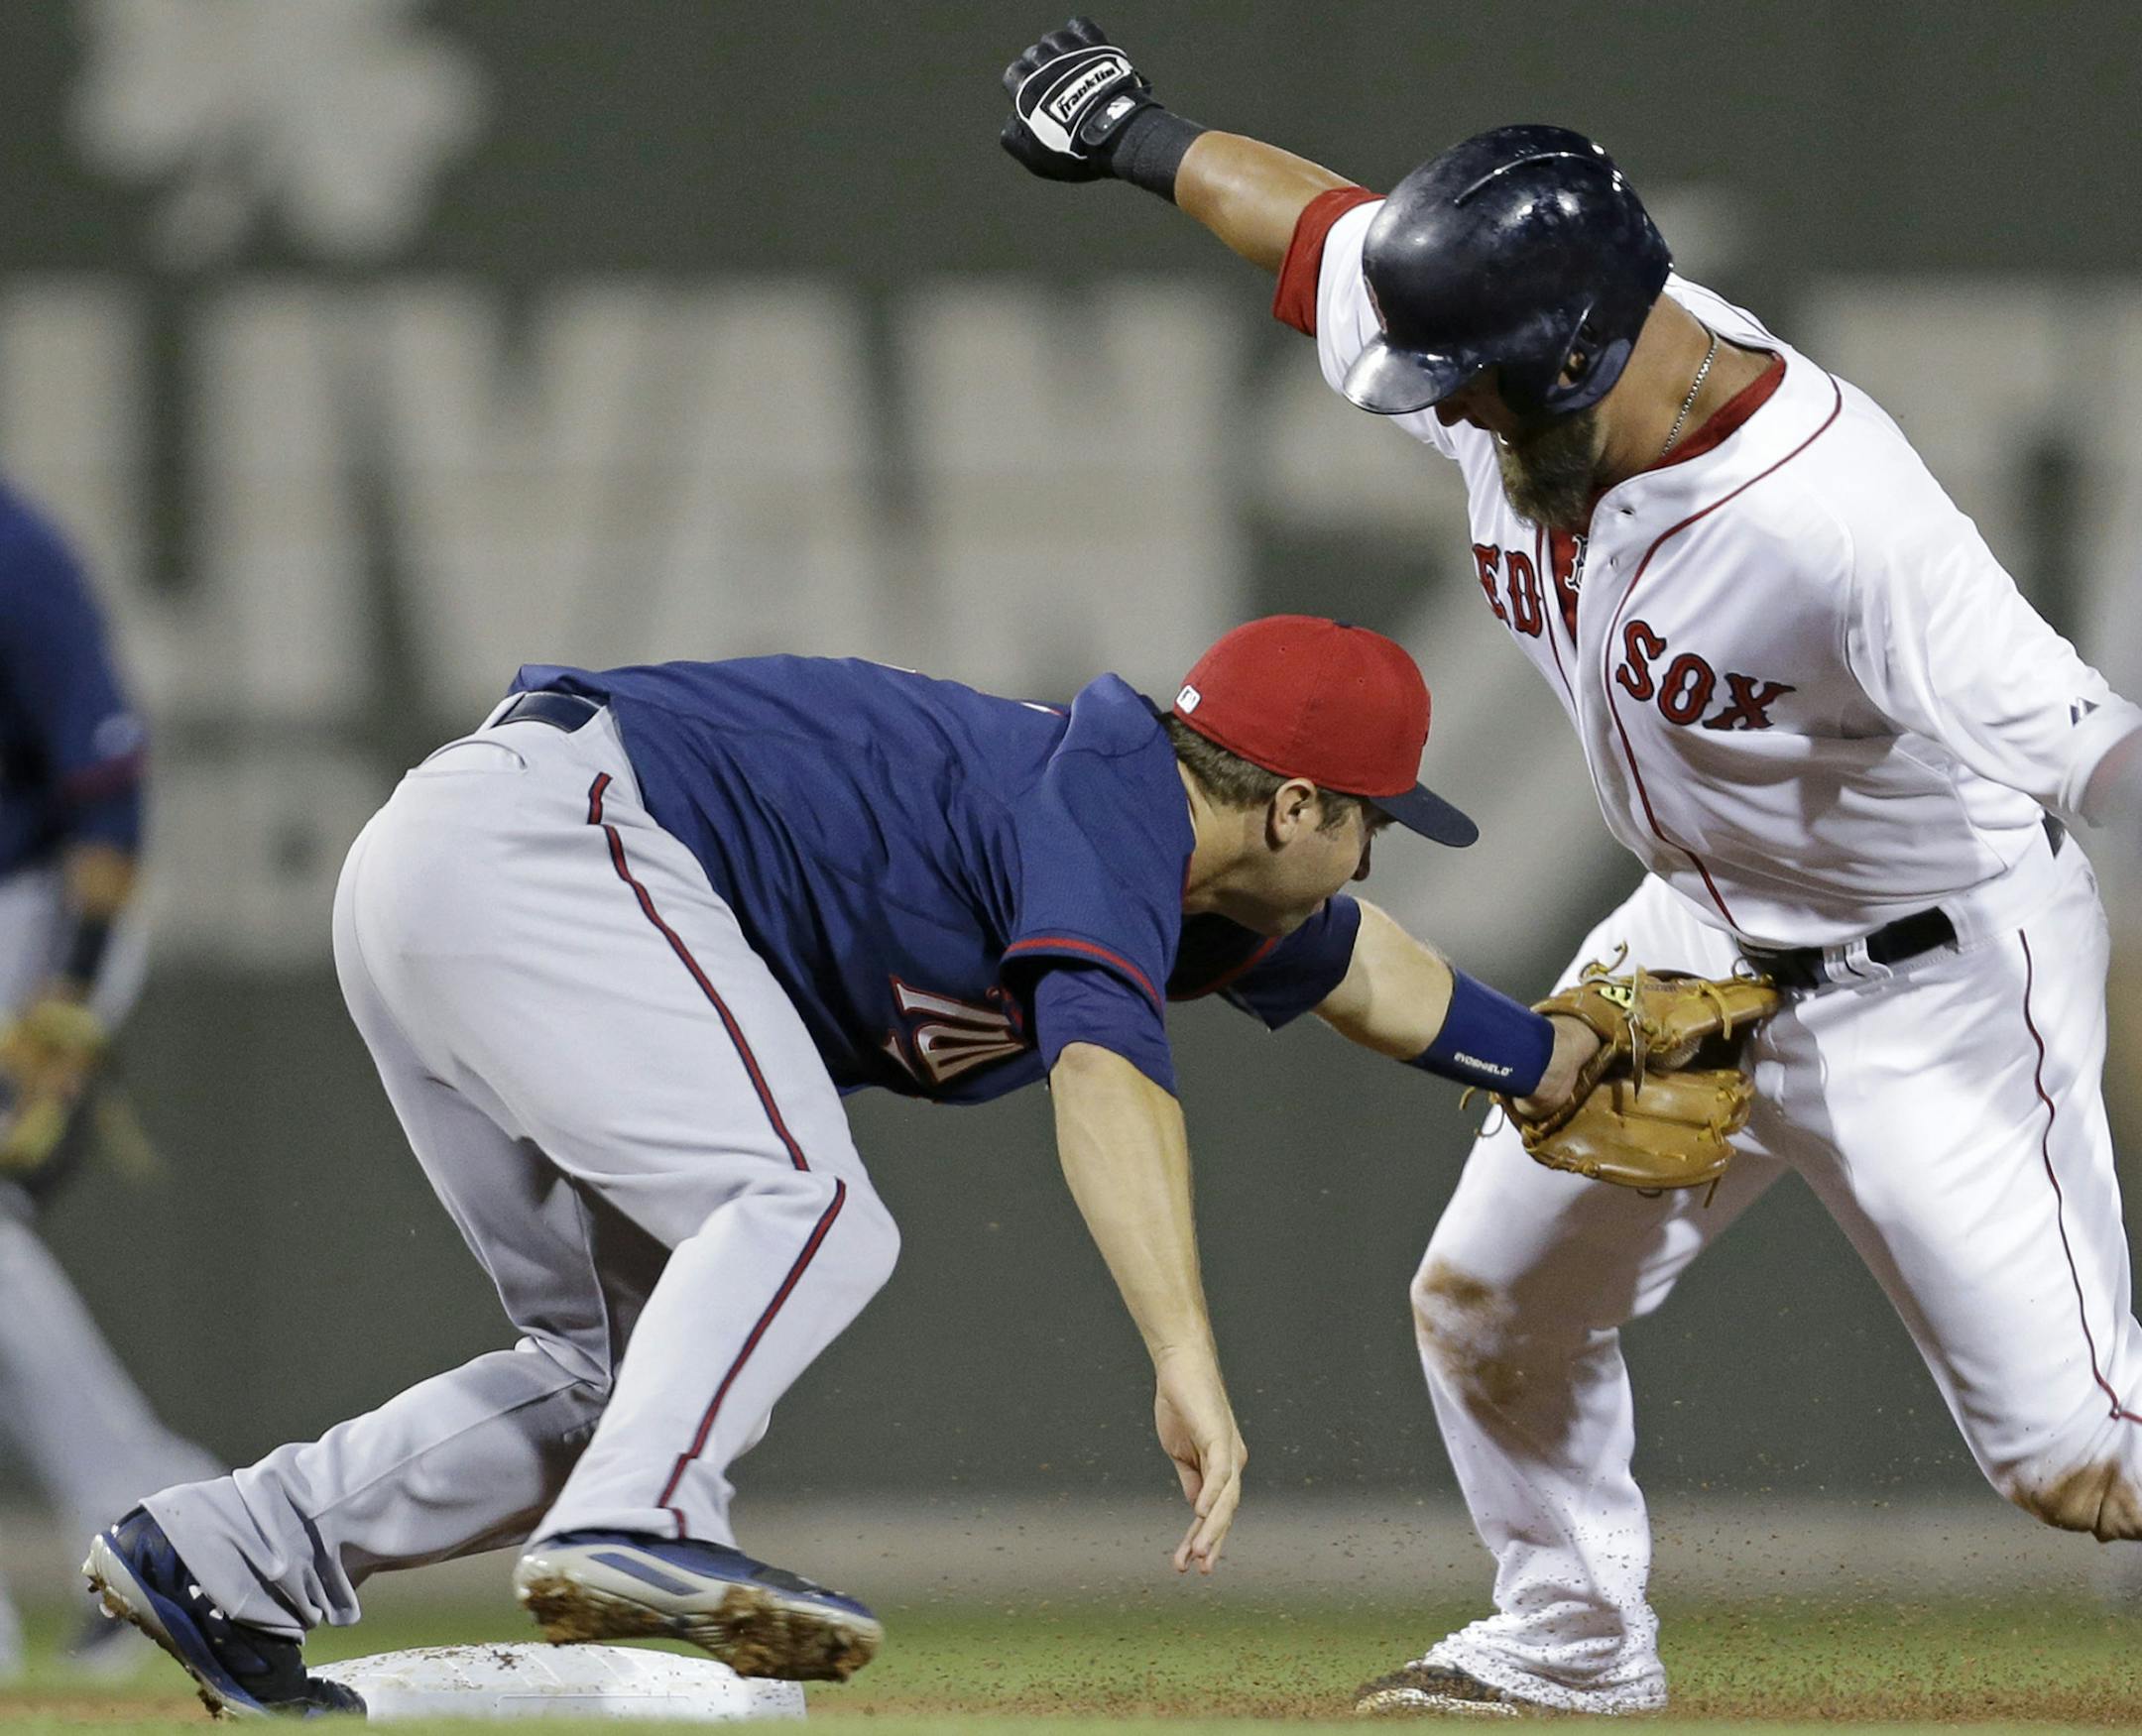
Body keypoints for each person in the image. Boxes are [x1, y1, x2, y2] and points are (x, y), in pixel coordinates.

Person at [1000, 17, 2142, 1718]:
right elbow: (1323, 235)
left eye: (1459, 381)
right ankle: (1571, 1648)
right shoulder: (1517, 361)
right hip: (1693, 942)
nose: (1430, 404)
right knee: (1483, 1304)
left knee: (2080, 1465)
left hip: (1935, 980)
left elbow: (2094, 749)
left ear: (1566, 357)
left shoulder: (1842, 524)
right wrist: (1135, 133)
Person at [84, 615, 1602, 1715]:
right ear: (1291, 804)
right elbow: (1103, 1072)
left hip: (457, 868)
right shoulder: (1112, 798)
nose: (1374, 852)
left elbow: (1366, 968)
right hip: (550, 843)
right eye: (1372, 823)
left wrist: (1559, 1064)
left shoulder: (1196, 872)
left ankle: (228, 1549)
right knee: (800, 1205)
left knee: (611, 1366)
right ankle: (644, 1521)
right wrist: (1186, 1355)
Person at [0, 477, 220, 1677]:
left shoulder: (12, 553)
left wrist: (71, 991)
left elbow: (107, 786)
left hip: (35, 910)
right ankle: (158, 1510)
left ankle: (154, 1514)